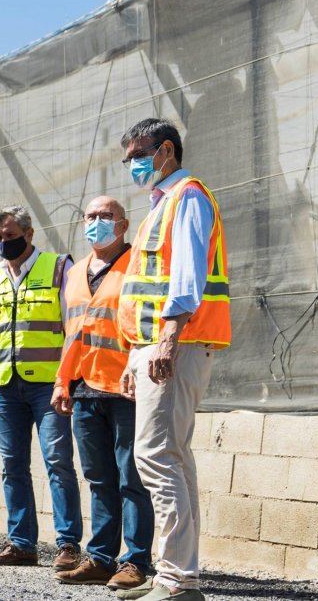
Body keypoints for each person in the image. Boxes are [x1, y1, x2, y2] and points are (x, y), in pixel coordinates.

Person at [116, 118, 231, 601]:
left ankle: (177, 579)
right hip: (159, 344)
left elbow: (186, 275)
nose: (132, 165)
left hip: (176, 343)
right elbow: (146, 287)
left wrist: (164, 341)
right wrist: (134, 353)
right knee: (174, 457)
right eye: (128, 158)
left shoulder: (186, 198)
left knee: (156, 455)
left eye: (139, 154)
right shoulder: (161, 204)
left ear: (167, 150)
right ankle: (179, 578)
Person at [0, 205, 83, 570]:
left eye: (11, 237)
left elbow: (72, 326)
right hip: (4, 385)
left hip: (47, 385)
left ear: (30, 235)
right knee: (12, 464)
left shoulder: (58, 267)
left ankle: (67, 545)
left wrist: (66, 379)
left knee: (58, 462)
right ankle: (21, 543)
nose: (4, 243)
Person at [50, 196, 154, 594]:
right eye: (91, 216)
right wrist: (63, 382)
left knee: (132, 478)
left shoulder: (138, 265)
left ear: (123, 225)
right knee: (98, 478)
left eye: (106, 216)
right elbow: (72, 334)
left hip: (125, 388)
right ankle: (100, 558)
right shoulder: (75, 273)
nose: (97, 222)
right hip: (85, 389)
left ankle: (136, 561)